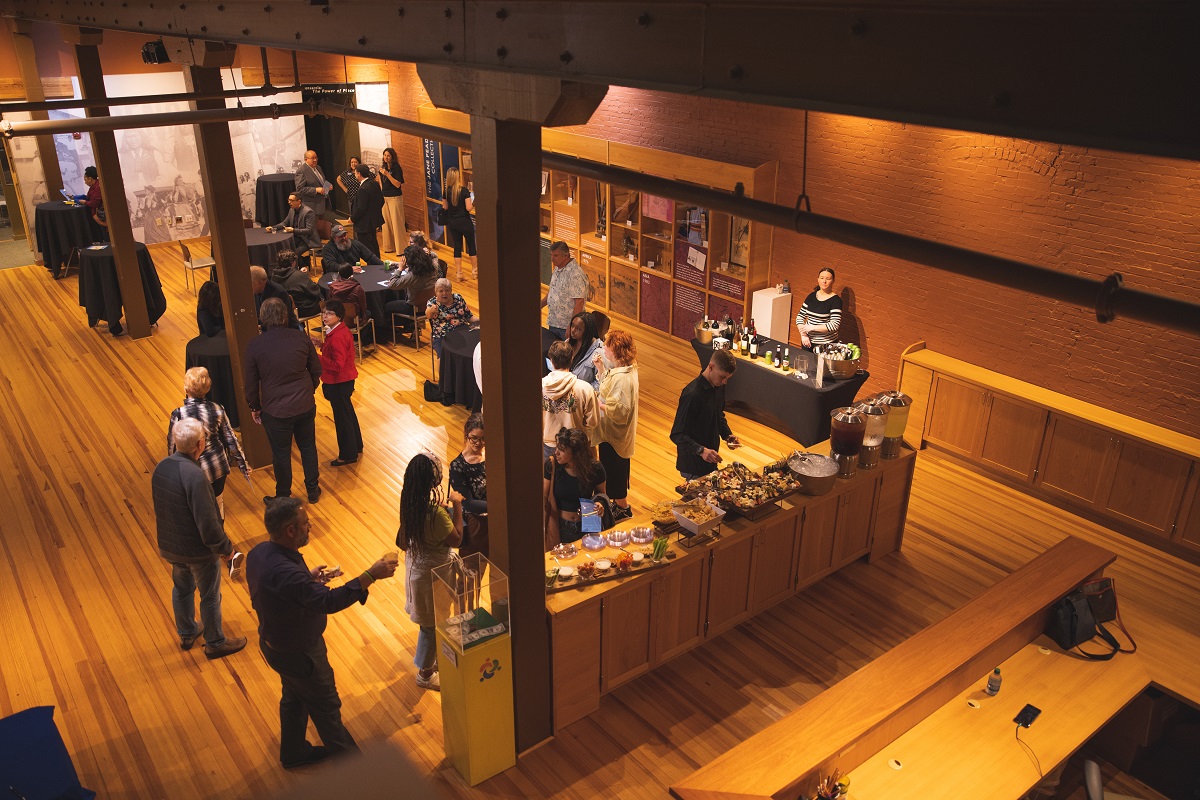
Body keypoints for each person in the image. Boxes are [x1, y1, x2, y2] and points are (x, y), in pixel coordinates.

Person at [246, 498, 397, 769]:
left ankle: (293, 754)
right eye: (305, 523)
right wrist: (370, 576)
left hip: (275, 645)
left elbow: (278, 593)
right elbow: (328, 602)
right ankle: (360, 777)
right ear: (290, 530)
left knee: (294, 697)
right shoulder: (288, 574)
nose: (310, 526)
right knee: (327, 710)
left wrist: (308, 581)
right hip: (301, 654)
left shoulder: (258, 553)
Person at [152, 417, 247, 659]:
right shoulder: (195, 477)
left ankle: (187, 632)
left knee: (182, 589)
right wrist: (227, 549)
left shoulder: (161, 468)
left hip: (171, 548)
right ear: (200, 445)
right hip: (198, 551)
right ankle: (215, 642)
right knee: (210, 596)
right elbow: (208, 524)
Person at [244, 298, 323, 504]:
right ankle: (313, 490)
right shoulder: (301, 338)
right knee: (308, 447)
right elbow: (316, 370)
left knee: (281, 454)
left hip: (275, 410)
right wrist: (308, 390)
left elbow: (250, 383)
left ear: (263, 317)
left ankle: (283, 495)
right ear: (285, 315)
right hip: (304, 404)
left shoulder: (254, 345)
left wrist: (255, 407)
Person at [396, 452, 462, 691]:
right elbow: (456, 540)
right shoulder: (434, 514)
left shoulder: (410, 505)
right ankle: (424, 673)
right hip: (433, 578)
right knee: (431, 627)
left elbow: (403, 541)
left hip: (416, 572)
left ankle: (430, 663)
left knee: (430, 623)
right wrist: (457, 505)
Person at [167, 366, 250, 519]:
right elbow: (230, 439)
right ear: (208, 387)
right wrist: (243, 464)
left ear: (186, 388)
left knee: (196, 508)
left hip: (191, 470)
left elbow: (172, 445)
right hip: (217, 466)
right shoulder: (218, 409)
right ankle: (220, 539)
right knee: (218, 503)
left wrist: (173, 470)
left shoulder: (179, 414)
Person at [670, 349, 741, 479]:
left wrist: (727, 435)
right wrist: (701, 451)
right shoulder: (692, 395)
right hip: (693, 464)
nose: (725, 382)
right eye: (722, 377)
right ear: (711, 367)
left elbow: (718, 414)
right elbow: (677, 434)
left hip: (709, 460)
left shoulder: (718, 387)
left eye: (727, 378)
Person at [591, 329, 639, 519]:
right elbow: (609, 387)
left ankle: (623, 508)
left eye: (607, 346)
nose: (604, 348)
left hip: (614, 435)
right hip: (611, 433)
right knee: (613, 468)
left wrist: (600, 405)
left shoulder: (622, 377)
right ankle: (617, 504)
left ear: (616, 350)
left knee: (614, 469)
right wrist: (601, 368)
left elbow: (619, 411)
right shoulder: (626, 369)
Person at [311, 299, 362, 467]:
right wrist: (322, 345)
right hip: (345, 381)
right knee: (348, 414)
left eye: (329, 313)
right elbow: (334, 353)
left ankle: (347, 455)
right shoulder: (338, 331)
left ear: (339, 316)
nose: (325, 316)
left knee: (342, 420)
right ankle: (356, 446)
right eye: (324, 312)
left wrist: (316, 358)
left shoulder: (338, 335)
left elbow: (338, 364)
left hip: (339, 382)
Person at [543, 427, 607, 547]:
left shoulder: (596, 468)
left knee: (588, 562)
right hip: (561, 526)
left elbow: (601, 495)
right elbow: (544, 496)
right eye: (557, 447)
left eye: (561, 450)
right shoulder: (552, 466)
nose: (556, 452)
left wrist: (599, 504)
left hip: (589, 523)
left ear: (575, 453)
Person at [541, 340, 598, 459]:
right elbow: (593, 422)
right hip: (575, 446)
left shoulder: (539, 387)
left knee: (549, 477)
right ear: (572, 359)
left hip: (547, 445)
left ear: (551, 360)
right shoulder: (585, 389)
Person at [449, 413, 488, 559]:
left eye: (483, 438)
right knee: (472, 573)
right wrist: (500, 506)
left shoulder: (491, 455)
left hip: (498, 520)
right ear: (466, 435)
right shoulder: (458, 465)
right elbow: (469, 503)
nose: (479, 443)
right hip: (476, 525)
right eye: (474, 438)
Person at [382, 239, 437, 325]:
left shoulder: (413, 276)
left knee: (386, 306)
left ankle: (408, 325)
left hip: (414, 308)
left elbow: (392, 284)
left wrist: (400, 268)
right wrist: (428, 252)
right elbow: (434, 256)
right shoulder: (434, 267)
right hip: (430, 304)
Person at [541, 241, 588, 339]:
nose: (552, 259)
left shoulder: (576, 275)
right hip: (554, 322)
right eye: (551, 255)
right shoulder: (557, 269)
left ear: (566, 255)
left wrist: (571, 326)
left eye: (556, 256)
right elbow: (552, 292)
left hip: (565, 327)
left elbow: (579, 302)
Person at [425, 278, 478, 357]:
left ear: (451, 291)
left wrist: (483, 320)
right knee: (443, 358)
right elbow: (428, 315)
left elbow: (469, 317)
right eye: (441, 291)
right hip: (442, 336)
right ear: (436, 292)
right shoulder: (432, 303)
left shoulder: (458, 299)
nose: (444, 293)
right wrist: (431, 310)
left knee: (475, 351)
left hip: (462, 332)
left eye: (447, 290)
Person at [440, 166, 476, 281]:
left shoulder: (446, 191)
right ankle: (475, 272)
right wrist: (475, 201)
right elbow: (469, 208)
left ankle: (459, 273)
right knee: (471, 246)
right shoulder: (464, 190)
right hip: (465, 221)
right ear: (457, 177)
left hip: (452, 222)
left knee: (457, 246)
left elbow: (445, 207)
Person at [795, 267, 842, 350]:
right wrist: (803, 335)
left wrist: (812, 327)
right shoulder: (811, 296)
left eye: (828, 279)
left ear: (833, 281)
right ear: (818, 279)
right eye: (822, 278)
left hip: (826, 345)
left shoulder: (836, 301)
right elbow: (800, 316)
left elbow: (834, 325)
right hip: (808, 342)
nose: (824, 281)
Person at [266, 193, 321, 263]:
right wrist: (273, 227)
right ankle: (303, 263)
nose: (289, 202)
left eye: (291, 200)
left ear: (299, 201)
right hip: (295, 238)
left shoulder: (308, 212)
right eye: (288, 200)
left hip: (307, 240)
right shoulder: (292, 210)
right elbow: (285, 223)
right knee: (283, 251)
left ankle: (303, 266)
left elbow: (309, 230)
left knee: (292, 255)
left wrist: (293, 230)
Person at [272, 250, 322, 319]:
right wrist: (304, 276)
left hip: (286, 310)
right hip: (304, 310)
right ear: (293, 263)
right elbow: (315, 291)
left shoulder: (274, 276)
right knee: (323, 297)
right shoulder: (298, 275)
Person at [349, 163, 384, 257]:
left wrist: (352, 218)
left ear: (359, 174)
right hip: (373, 222)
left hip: (364, 224)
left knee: (367, 248)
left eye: (355, 173)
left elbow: (361, 208)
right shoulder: (374, 184)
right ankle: (378, 265)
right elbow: (381, 201)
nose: (355, 175)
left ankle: (373, 266)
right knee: (373, 244)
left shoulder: (363, 189)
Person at [250, 265, 300, 330]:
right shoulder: (256, 293)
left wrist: (260, 327)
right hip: (268, 331)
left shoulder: (278, 292)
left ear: (260, 283)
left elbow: (282, 321)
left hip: (286, 331)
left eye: (251, 283)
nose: (249, 286)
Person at [377, 147, 405, 253]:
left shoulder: (396, 168)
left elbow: (398, 184)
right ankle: (389, 247)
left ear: (392, 157)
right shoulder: (383, 168)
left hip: (395, 198)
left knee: (397, 223)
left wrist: (387, 174)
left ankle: (401, 249)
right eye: (384, 155)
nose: (386, 157)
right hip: (384, 198)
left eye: (388, 155)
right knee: (386, 224)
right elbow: (381, 183)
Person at [567, 311, 603, 391]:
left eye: (578, 329)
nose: (572, 330)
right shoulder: (568, 342)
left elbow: (600, 384)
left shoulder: (599, 352)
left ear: (587, 331)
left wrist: (581, 392)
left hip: (583, 397)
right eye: (572, 325)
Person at [294, 149, 330, 219]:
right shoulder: (301, 171)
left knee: (322, 227)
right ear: (305, 159)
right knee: (313, 228)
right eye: (312, 158)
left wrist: (327, 186)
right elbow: (300, 189)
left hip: (322, 205)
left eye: (316, 157)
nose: (315, 160)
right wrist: (316, 190)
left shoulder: (318, 168)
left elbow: (321, 181)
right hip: (312, 207)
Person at [82, 165, 107, 241]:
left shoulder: (98, 187)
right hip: (97, 215)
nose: (85, 182)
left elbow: (94, 203)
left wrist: (83, 202)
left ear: (90, 178)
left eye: (85, 180)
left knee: (106, 237)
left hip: (101, 216)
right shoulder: (94, 186)